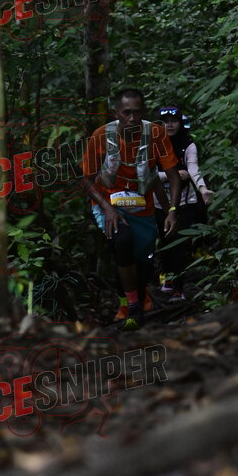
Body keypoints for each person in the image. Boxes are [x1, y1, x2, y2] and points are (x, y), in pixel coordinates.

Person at [82, 89, 182, 330]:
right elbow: (85, 178)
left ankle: (139, 299)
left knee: (143, 260)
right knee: (122, 243)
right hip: (108, 204)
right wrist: (107, 208)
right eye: (126, 113)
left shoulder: (155, 133)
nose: (132, 118)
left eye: (137, 112)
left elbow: (172, 175)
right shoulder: (101, 136)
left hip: (142, 204)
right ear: (116, 113)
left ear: (144, 112)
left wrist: (172, 209)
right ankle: (131, 306)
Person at [155, 105, 214, 301]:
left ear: (180, 123)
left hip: (185, 202)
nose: (169, 125)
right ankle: (167, 277)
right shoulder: (152, 144)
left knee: (180, 243)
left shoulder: (188, 144)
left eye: (174, 121)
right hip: (159, 203)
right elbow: (147, 173)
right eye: (165, 122)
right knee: (165, 241)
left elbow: (193, 169)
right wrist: (171, 175)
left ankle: (178, 288)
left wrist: (203, 189)